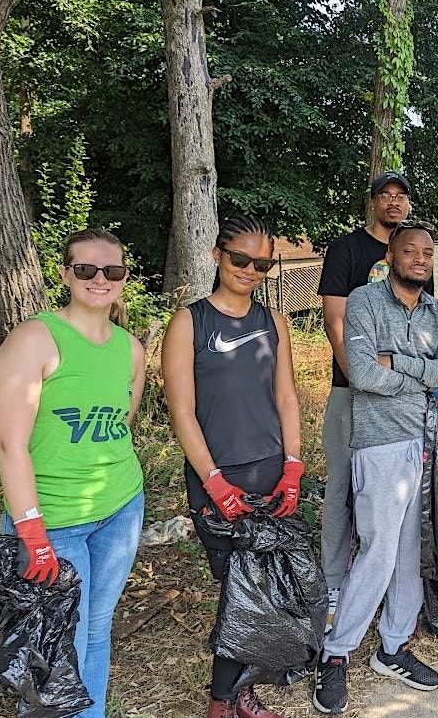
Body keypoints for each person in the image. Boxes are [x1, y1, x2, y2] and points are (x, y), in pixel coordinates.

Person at [0, 228, 145, 718]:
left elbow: (122, 421)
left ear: (124, 278)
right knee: (58, 638)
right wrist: (31, 530)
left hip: (119, 508)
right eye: (86, 269)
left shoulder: (130, 348)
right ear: (65, 273)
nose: (100, 279)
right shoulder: (36, 339)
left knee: (96, 627)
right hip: (54, 521)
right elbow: (9, 444)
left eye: (112, 270)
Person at [312, 220, 438, 714]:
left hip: (424, 442)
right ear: (391, 257)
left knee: (408, 552)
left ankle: (393, 646)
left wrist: (401, 364)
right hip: (379, 445)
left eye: (427, 253)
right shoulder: (365, 301)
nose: (420, 259)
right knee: (378, 552)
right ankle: (335, 655)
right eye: (410, 251)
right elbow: (362, 375)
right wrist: (419, 375)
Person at [162, 215, 304, 718]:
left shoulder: (274, 321)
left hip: (270, 468)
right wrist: (213, 479)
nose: (249, 270)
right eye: (240, 258)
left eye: (261, 263)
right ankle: (223, 701)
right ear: (217, 256)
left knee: (269, 585)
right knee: (236, 587)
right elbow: (181, 411)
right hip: (217, 475)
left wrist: (293, 465)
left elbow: (287, 397)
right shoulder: (189, 322)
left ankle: (239, 691)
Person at [316, 171, 424, 630]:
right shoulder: (347, 250)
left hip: (400, 398)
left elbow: (420, 331)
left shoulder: (413, 257)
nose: (394, 203)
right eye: (386, 195)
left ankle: (381, 585)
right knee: (342, 487)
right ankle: (334, 582)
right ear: (373, 202)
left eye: (402, 196)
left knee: (393, 497)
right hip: (352, 390)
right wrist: (360, 377)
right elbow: (335, 320)